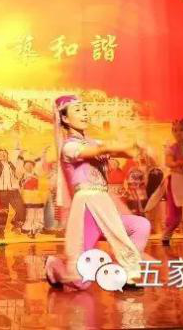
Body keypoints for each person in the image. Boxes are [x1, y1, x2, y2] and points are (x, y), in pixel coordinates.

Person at [44, 95, 150, 291]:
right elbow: (102, 149)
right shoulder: (69, 147)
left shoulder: (94, 142)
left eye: (84, 108)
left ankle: (124, 272)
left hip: (104, 205)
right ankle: (54, 265)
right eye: (77, 110)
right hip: (87, 209)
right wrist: (125, 145)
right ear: (65, 118)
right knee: (79, 281)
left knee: (141, 225)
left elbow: (121, 152)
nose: (84, 113)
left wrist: (134, 149)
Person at [20, 159, 46, 239]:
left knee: (38, 212)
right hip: (27, 195)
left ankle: (37, 228)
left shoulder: (37, 174)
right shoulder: (23, 175)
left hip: (36, 195)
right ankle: (29, 229)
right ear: (24, 167)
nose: (28, 167)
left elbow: (42, 184)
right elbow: (21, 184)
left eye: (30, 165)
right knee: (30, 212)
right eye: (26, 166)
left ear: (33, 166)